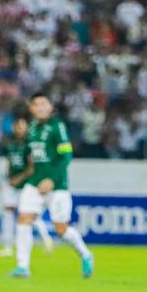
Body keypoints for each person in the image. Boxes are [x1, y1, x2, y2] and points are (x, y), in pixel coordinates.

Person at [13, 93, 94, 278]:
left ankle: (86, 254)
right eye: (36, 104)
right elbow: (29, 155)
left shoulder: (57, 127)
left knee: (61, 229)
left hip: (57, 185)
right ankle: (22, 266)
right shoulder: (32, 128)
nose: (40, 108)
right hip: (34, 184)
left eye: (43, 104)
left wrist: (51, 179)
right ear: (31, 108)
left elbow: (66, 156)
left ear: (50, 107)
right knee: (24, 218)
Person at [0, 115, 54, 258]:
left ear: (26, 128)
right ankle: (7, 246)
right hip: (12, 184)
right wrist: (9, 177)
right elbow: (10, 162)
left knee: (29, 215)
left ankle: (46, 238)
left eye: (22, 126)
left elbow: (32, 167)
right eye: (17, 126)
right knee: (8, 212)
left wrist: (18, 178)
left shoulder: (30, 145)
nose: (19, 129)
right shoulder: (10, 144)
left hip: (26, 185)